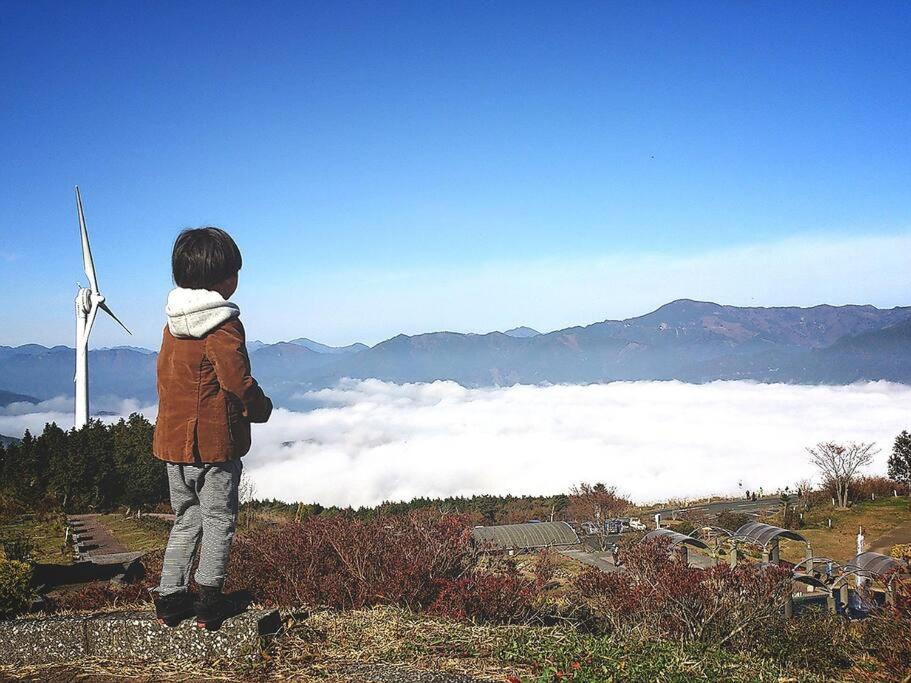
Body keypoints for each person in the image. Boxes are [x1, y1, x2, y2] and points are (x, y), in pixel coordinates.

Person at [152, 227, 273, 628]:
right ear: (224, 278)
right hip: (214, 445)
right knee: (219, 518)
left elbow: (168, 380)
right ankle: (208, 602)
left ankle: (170, 597)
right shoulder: (222, 325)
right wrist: (260, 408)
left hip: (172, 445)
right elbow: (236, 381)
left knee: (187, 517)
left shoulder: (174, 324)